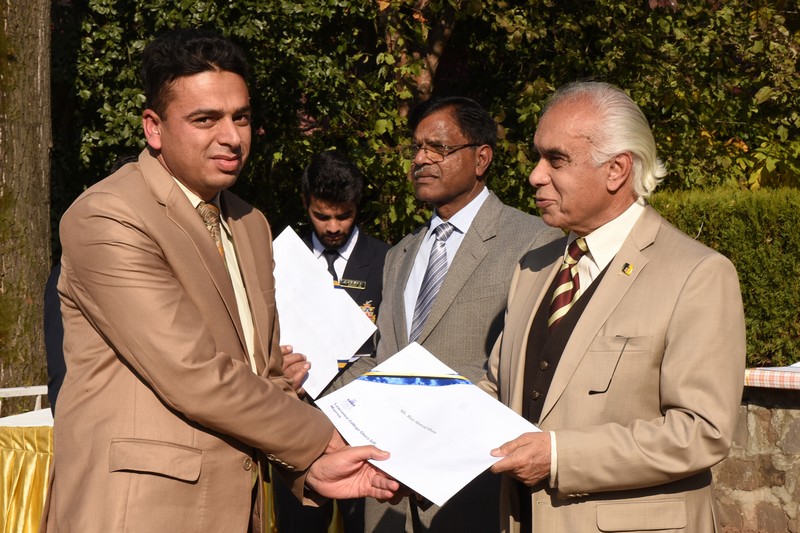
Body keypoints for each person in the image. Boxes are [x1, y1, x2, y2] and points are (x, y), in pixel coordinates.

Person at [40, 29, 399, 533]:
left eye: (241, 117)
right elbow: (192, 373)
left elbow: (268, 374)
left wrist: (309, 469)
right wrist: (320, 439)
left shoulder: (251, 224)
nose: (232, 136)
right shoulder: (108, 215)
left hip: (240, 508)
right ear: (153, 128)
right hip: (137, 511)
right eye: (205, 119)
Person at [480, 81, 746, 532]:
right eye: (538, 157)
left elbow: (702, 431)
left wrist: (560, 456)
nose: (535, 176)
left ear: (617, 170)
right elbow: (497, 385)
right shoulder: (533, 267)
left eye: (556, 160)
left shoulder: (697, 273)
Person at [338, 96, 561, 532]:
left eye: (438, 148)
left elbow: (531, 372)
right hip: (388, 494)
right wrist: (313, 381)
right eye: (417, 148)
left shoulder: (534, 243)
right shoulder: (400, 254)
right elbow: (384, 359)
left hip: (473, 491)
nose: (421, 159)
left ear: (481, 158)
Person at [274, 150, 390, 533]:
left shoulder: (387, 260)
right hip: (296, 426)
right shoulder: (279, 260)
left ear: (358, 206)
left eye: (344, 215)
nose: (334, 227)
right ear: (305, 204)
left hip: (363, 426)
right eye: (322, 216)